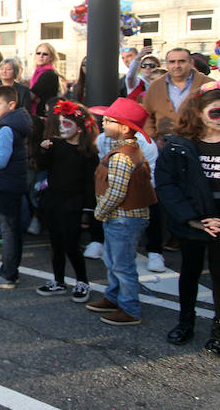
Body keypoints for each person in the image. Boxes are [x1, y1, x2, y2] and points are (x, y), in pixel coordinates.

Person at [156, 81, 220, 355]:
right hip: (194, 220)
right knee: (189, 271)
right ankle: (185, 322)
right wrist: (193, 220)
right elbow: (167, 184)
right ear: (198, 113)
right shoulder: (179, 146)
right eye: (217, 113)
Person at [85, 98, 157, 326]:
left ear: (124, 127)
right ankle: (114, 296)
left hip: (123, 219)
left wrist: (100, 212)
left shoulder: (122, 156)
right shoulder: (129, 150)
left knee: (122, 264)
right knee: (114, 259)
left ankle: (129, 308)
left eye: (108, 121)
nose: (103, 124)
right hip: (124, 218)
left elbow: (116, 192)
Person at [35, 100, 99, 303]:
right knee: (55, 243)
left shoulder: (88, 153)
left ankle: (82, 281)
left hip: (74, 202)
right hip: (54, 199)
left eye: (67, 124)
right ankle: (58, 280)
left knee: (72, 244)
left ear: (80, 129)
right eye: (61, 123)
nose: (62, 127)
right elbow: (41, 166)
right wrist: (44, 150)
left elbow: (90, 184)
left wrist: (87, 211)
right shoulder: (56, 145)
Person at [0, 85, 33, 289]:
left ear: (11, 105)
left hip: (6, 185)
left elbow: (1, 160)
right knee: (12, 230)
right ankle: (9, 270)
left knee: (9, 231)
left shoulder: (7, 128)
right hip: (10, 183)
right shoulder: (10, 124)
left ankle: (8, 274)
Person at [143, 47, 211, 139]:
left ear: (191, 63)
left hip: (199, 141)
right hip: (165, 143)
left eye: (182, 61)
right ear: (166, 64)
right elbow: (146, 115)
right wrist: (154, 137)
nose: (177, 65)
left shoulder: (208, 84)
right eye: (172, 62)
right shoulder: (155, 86)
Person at [0, 59, 32, 126]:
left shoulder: (23, 90)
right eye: (2, 69)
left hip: (15, 124)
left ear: (15, 71)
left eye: (8, 69)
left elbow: (25, 111)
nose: (4, 71)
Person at [30, 42, 61, 117]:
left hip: (43, 115)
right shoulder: (37, 72)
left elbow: (31, 95)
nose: (41, 56)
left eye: (45, 54)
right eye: (38, 53)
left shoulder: (49, 74)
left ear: (51, 57)